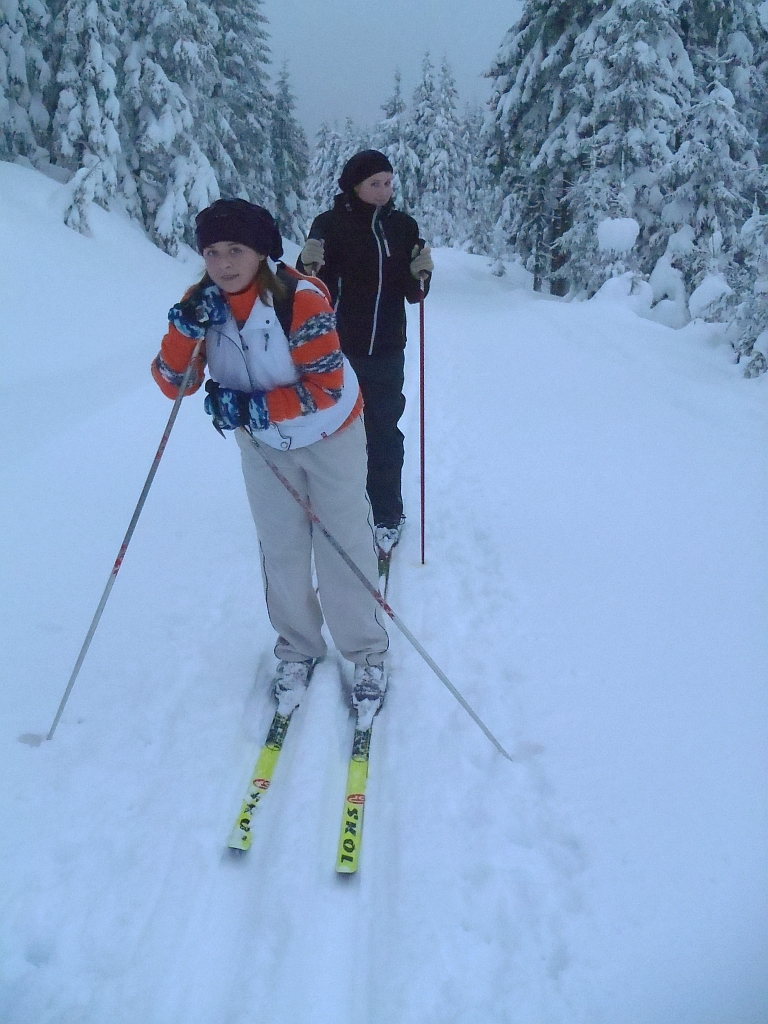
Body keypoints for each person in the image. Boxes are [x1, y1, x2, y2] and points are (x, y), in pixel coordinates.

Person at [152, 198, 389, 711]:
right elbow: (174, 384)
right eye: (212, 252)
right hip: (264, 445)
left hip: (328, 434)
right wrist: (185, 330)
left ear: (261, 251)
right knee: (281, 547)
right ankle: (298, 647)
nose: (223, 263)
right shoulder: (201, 302)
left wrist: (249, 409)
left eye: (235, 249)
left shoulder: (301, 299)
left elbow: (326, 387)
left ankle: (366, 652)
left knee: (342, 543)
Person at [297, 149, 434, 558]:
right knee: (333, 433)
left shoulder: (403, 227)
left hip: (388, 349)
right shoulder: (330, 224)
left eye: (388, 183)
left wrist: (421, 275)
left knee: (384, 432)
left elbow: (413, 294)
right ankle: (333, 507)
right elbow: (307, 287)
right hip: (338, 350)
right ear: (354, 186)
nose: (384, 191)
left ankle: (387, 514)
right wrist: (306, 264)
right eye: (375, 183)